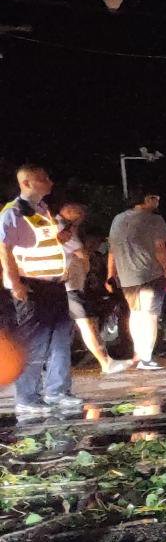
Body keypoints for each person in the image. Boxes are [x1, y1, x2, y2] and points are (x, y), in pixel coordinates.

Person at [0, 164, 83, 420]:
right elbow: (4, 250)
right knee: (33, 343)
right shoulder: (13, 212)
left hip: (54, 284)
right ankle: (27, 398)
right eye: (43, 179)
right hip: (32, 286)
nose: (50, 182)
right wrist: (16, 284)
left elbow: (46, 241)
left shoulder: (41, 210)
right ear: (26, 183)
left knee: (60, 339)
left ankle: (57, 391)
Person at [57, 198, 127, 375]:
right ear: (74, 214)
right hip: (68, 286)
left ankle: (103, 360)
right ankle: (105, 363)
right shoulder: (61, 229)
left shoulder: (63, 229)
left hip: (71, 286)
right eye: (81, 217)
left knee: (84, 323)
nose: (82, 221)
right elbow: (82, 254)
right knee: (86, 323)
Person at [107, 190, 166, 370]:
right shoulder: (155, 220)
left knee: (136, 313)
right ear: (146, 199)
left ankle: (138, 352)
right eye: (155, 197)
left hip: (127, 275)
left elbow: (112, 249)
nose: (158, 201)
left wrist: (110, 273)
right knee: (150, 314)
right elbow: (160, 248)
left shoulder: (117, 219)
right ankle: (146, 357)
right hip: (150, 272)